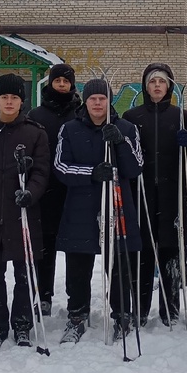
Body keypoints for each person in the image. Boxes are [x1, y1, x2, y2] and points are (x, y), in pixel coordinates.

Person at [53, 78, 145, 343]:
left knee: (118, 265)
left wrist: (120, 143)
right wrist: (90, 173)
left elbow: (136, 167)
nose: (97, 103)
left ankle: (122, 315)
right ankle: (77, 315)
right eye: (92, 98)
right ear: (85, 101)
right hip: (81, 206)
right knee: (78, 266)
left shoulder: (126, 128)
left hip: (117, 204)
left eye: (102, 98)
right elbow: (61, 167)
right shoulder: (70, 129)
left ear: (109, 101)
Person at [0, 74, 51, 349]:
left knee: (24, 275)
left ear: (21, 101)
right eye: (5, 97)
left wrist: (32, 192)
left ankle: (22, 326)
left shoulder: (35, 133)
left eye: (14, 98)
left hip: (22, 213)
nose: (9, 102)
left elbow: (41, 171)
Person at [123, 63, 187, 326]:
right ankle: (141, 308)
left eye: (162, 82)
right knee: (143, 251)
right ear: (145, 86)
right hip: (142, 192)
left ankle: (171, 308)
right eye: (152, 81)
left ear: (169, 87)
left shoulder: (181, 116)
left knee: (171, 252)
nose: (157, 85)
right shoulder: (133, 117)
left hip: (172, 193)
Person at [27, 62, 82, 317]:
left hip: (74, 190)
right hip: (45, 189)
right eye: (58, 81)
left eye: (66, 81)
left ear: (72, 85)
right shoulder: (37, 115)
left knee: (74, 247)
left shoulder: (80, 114)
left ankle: (76, 296)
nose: (62, 85)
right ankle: (44, 294)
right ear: (50, 83)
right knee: (44, 247)